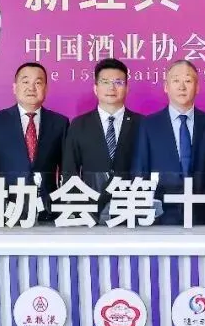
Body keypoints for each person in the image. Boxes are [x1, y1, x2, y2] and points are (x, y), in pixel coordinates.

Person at [131, 59, 205, 226]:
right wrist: (141, 214)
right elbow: (140, 172)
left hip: (203, 217)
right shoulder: (149, 125)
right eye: (175, 81)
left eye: (188, 81)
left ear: (197, 87)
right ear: (166, 87)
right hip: (161, 216)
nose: (182, 87)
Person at [0, 62, 69, 221]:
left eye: (38, 83)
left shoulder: (60, 123)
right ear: (15, 88)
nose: (31, 88)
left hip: (48, 210)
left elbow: (66, 169)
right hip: (6, 208)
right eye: (25, 81)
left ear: (46, 88)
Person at [61, 58, 143, 219]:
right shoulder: (79, 125)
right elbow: (70, 171)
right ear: (95, 88)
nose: (111, 87)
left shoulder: (142, 124)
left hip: (132, 209)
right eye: (105, 82)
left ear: (127, 88)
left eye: (118, 82)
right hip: (90, 210)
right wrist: (79, 209)